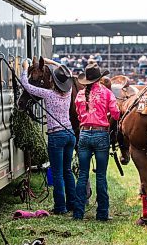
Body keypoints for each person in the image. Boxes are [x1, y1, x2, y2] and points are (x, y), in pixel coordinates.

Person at [21, 58, 76, 214]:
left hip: (56, 135)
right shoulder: (69, 91)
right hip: (70, 133)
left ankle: (60, 207)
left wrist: (25, 68)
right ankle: (71, 203)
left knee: (57, 173)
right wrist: (52, 63)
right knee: (67, 171)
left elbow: (26, 85)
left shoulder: (48, 94)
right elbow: (67, 72)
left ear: (52, 80)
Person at [73, 63, 120, 221]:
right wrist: (105, 117)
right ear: (99, 78)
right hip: (101, 135)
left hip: (85, 134)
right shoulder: (106, 93)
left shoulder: (79, 95)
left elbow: (79, 116)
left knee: (82, 176)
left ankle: (78, 212)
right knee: (100, 176)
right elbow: (116, 113)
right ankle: (102, 214)